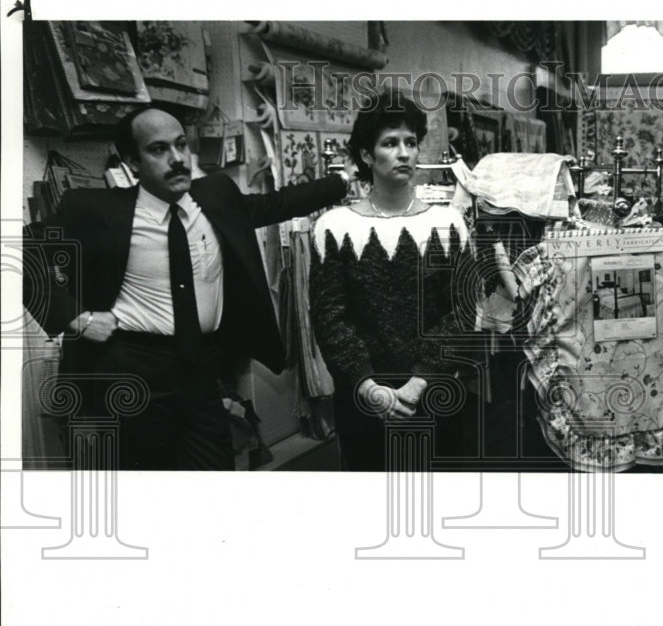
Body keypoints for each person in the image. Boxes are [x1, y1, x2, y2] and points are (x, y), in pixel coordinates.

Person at [24, 105, 347, 470]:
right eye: (158, 149)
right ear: (132, 160)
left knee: (213, 474)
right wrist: (75, 318)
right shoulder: (94, 209)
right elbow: (23, 250)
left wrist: (343, 182)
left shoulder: (215, 196)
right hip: (133, 370)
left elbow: (276, 204)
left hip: (202, 369)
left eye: (181, 145)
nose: (177, 159)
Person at [309, 91, 475, 470]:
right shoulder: (334, 227)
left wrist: (419, 382)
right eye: (390, 143)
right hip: (364, 399)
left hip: (435, 392)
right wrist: (367, 386)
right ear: (367, 155)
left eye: (411, 143)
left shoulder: (448, 224)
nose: (404, 153)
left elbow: (463, 312)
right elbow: (329, 317)